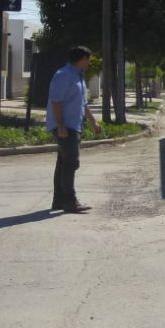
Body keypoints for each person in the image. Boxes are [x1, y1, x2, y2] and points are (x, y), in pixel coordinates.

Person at [47, 46, 101, 214]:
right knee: (71, 162)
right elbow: (56, 101)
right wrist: (61, 125)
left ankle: (59, 201)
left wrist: (93, 122)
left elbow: (83, 103)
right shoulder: (64, 75)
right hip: (65, 126)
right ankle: (70, 202)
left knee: (63, 163)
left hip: (73, 124)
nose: (89, 63)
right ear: (81, 59)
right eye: (88, 59)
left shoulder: (78, 76)